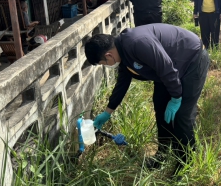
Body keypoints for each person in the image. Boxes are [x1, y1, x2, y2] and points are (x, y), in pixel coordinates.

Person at [85, 24, 210, 173]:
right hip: (170, 69)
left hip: (192, 60)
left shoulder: (138, 42)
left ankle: (185, 163)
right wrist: (108, 111)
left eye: (103, 64)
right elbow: (121, 85)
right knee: (160, 104)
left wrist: (176, 97)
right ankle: (163, 152)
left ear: (108, 56)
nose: (106, 66)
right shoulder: (123, 55)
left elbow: (167, 68)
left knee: (182, 114)